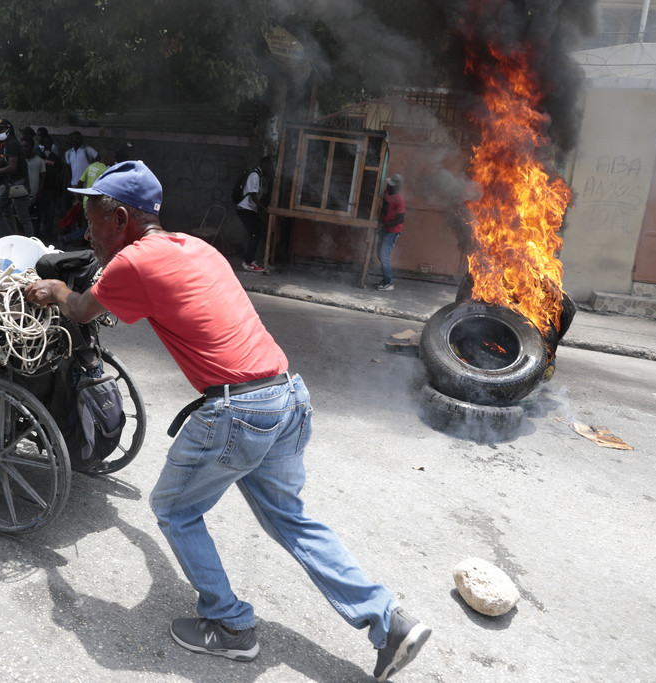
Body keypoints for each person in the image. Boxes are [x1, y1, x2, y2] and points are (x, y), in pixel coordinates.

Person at [22, 161, 431, 682]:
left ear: (121, 217)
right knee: (292, 519)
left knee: (173, 508)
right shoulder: (196, 248)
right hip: (287, 396)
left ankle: (231, 626)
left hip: (238, 410)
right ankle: (388, 620)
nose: (87, 231)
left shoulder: (133, 265)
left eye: (94, 220)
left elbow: (81, 309)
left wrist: (54, 289)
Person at [0, 118, 34, 239]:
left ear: (8, 129)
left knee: (23, 218)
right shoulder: (6, 144)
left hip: (18, 185)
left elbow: (12, 167)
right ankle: (4, 238)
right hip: (10, 184)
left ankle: (32, 242)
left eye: (1, 129)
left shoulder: (12, 144)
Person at [234, 156, 274, 273]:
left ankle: (250, 260)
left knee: (255, 234)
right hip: (245, 209)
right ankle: (247, 262)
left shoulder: (259, 176)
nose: (270, 170)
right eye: (270, 167)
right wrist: (264, 209)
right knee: (254, 235)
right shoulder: (254, 175)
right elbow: (253, 196)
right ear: (264, 165)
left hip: (250, 210)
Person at [374, 174, 405, 291]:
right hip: (384, 228)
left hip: (392, 231)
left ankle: (389, 283)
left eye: (391, 184)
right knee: (380, 254)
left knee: (384, 255)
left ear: (397, 187)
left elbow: (400, 219)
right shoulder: (387, 192)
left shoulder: (400, 199)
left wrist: (384, 224)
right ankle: (385, 280)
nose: (388, 185)